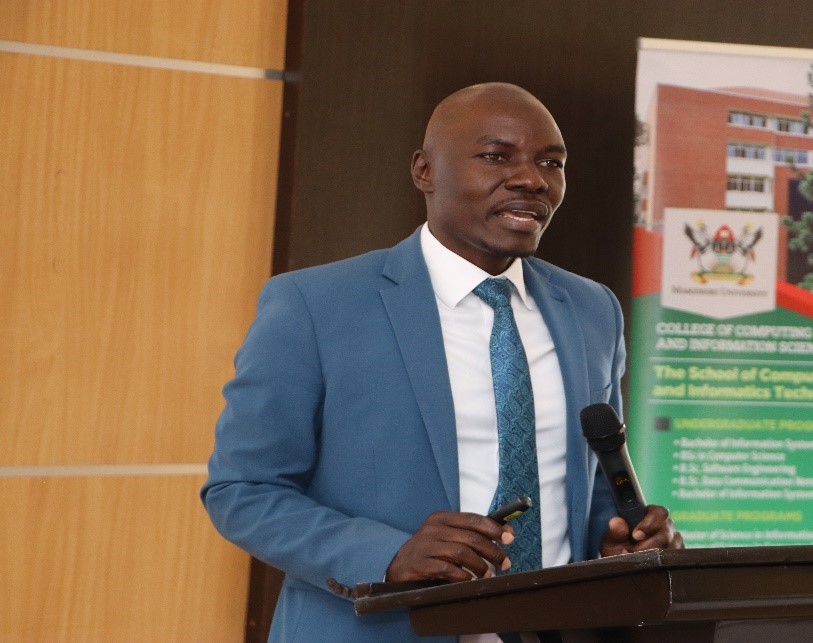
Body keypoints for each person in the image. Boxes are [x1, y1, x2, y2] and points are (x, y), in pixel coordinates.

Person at [201, 82, 682, 642]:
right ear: (424, 171)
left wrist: (619, 540)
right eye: (496, 156)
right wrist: (387, 555)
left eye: (551, 163)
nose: (531, 179)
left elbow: (593, 483)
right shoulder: (314, 305)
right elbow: (243, 490)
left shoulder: (592, 309)